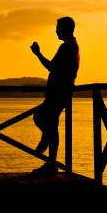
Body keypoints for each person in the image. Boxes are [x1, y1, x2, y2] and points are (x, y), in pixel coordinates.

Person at [30, 16, 80, 176]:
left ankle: (51, 162)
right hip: (60, 91)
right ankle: (51, 162)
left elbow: (52, 67)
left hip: (59, 92)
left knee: (40, 117)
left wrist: (38, 54)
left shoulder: (67, 48)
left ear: (66, 29)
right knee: (50, 124)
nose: (56, 31)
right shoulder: (72, 46)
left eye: (58, 28)